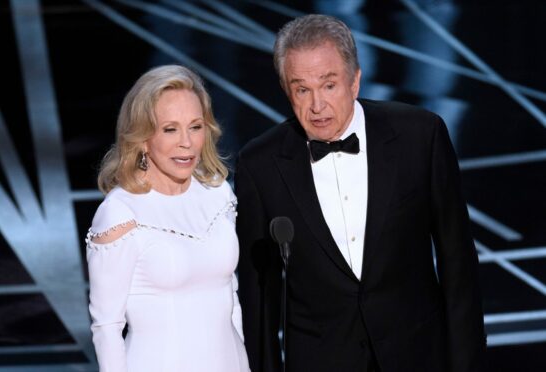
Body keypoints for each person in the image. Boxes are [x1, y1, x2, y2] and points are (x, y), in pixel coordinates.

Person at [235, 14, 486, 372]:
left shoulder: (420, 136)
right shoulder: (260, 165)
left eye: (329, 85)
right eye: (301, 89)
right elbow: (260, 298)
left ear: (355, 81)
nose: (316, 105)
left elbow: (458, 265)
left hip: (418, 356)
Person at [86, 65, 250, 372]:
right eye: (170, 129)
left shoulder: (218, 194)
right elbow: (106, 327)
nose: (186, 143)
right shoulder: (121, 213)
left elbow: (230, 296)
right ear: (143, 138)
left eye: (196, 126)